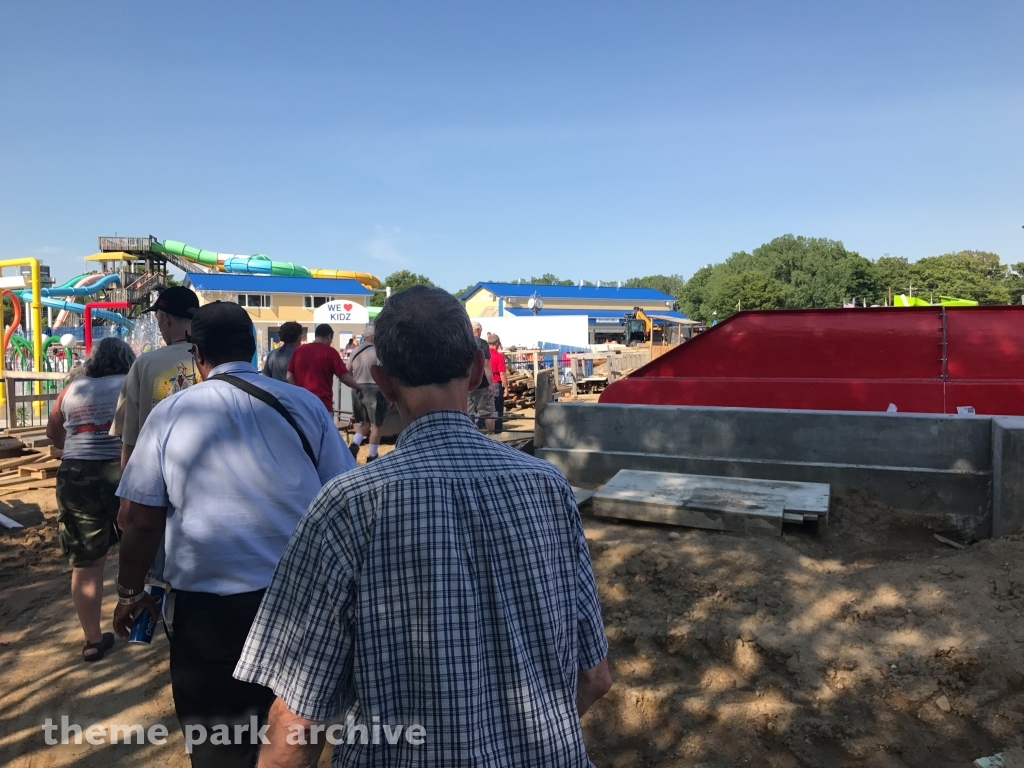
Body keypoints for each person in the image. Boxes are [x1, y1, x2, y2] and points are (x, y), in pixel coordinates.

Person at [234, 286, 612, 767]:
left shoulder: (349, 506)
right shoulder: (549, 488)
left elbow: (298, 721)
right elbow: (595, 677)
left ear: (385, 384)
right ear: (478, 370)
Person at [112, 301, 356, 768]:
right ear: (252, 348)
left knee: (217, 739)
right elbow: (342, 497)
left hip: (207, 615)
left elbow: (139, 519)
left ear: (196, 354)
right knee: (290, 732)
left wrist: (130, 591)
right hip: (296, 604)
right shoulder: (304, 405)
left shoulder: (170, 413)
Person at [45, 338, 136, 662]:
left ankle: (93, 640)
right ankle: (139, 621)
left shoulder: (73, 388)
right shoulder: (131, 382)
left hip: (76, 474)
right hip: (123, 471)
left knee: (86, 561)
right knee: (138, 544)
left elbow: (54, 434)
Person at [110, 285, 200, 468]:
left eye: (158, 320)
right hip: (205, 475)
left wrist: (127, 486)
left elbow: (129, 435)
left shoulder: (144, 364)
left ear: (165, 318)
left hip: (156, 474)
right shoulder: (213, 359)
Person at [286, 323, 359, 416]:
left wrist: (300, 392)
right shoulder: (330, 353)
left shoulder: (298, 350)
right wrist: (358, 387)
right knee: (325, 430)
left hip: (303, 404)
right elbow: (344, 377)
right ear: (329, 336)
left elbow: (289, 376)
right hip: (322, 404)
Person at [347, 324, 387, 462]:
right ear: (373, 337)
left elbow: (347, 371)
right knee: (376, 426)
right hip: (374, 390)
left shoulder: (355, 350)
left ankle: (354, 446)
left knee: (364, 423)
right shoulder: (378, 352)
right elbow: (383, 373)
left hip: (357, 389)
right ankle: (372, 456)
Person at [467, 320, 496, 430]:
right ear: (478, 330)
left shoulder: (461, 341)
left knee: (468, 413)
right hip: (481, 383)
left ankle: (469, 436)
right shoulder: (482, 343)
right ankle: (492, 436)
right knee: (488, 411)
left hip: (465, 384)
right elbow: (486, 365)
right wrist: (490, 384)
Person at [487, 332, 509, 434]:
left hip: (484, 385)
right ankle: (497, 432)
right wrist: (506, 387)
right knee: (497, 410)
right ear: (497, 343)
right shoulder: (499, 356)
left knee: (484, 409)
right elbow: (502, 374)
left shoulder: (483, 355)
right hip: (495, 384)